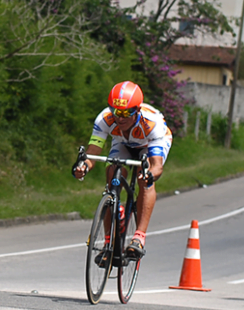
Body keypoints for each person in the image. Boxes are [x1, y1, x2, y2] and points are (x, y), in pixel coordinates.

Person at [73, 81, 173, 259]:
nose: (120, 118)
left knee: (145, 180)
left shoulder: (152, 123)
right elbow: (93, 152)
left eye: (127, 113)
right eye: (117, 112)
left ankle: (139, 237)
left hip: (149, 144)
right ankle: (108, 241)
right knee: (112, 174)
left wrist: (150, 175)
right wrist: (83, 167)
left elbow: (157, 165)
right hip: (123, 142)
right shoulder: (104, 119)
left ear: (137, 110)